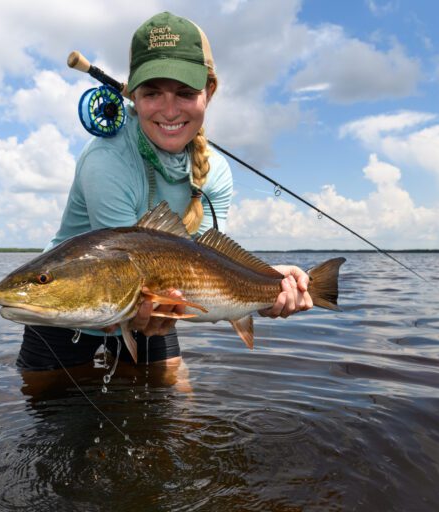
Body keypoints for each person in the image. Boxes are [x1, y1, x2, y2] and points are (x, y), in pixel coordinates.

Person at [17, 12, 313, 386]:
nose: (170, 110)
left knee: (179, 405)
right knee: (46, 413)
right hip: (62, 314)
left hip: (152, 307)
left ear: (210, 92)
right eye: (153, 92)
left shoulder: (216, 173)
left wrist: (270, 283)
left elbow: (203, 261)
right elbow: (118, 268)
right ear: (134, 96)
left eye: (186, 94)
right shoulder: (105, 161)